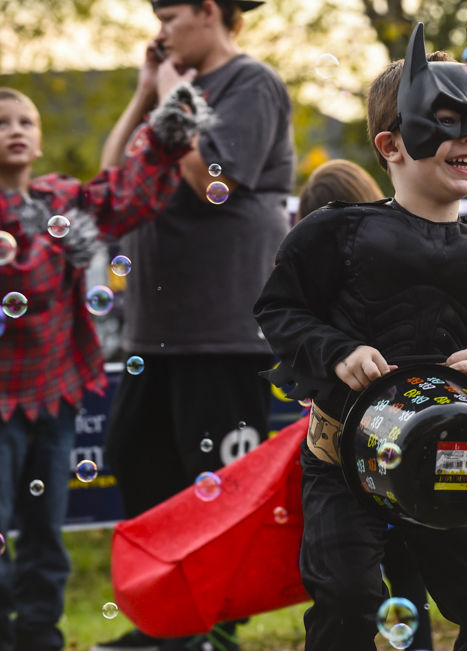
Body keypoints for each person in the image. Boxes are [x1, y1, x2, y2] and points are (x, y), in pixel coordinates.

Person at [253, 22, 467, 650]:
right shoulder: (334, 235)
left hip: (450, 459)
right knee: (349, 601)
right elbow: (279, 311)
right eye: (446, 121)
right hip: (343, 460)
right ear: (391, 144)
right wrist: (337, 352)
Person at [95, 1, 294, 650]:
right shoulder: (170, 90)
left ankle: (211, 628)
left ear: (210, 11)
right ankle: (164, 622)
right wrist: (143, 95)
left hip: (223, 328)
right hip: (154, 330)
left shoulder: (251, 83)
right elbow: (113, 176)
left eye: (170, 13)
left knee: (215, 487)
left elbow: (215, 181)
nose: (160, 29)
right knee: (138, 460)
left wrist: (173, 95)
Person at [0, 77, 210, 651]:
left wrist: (164, 138)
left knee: (46, 531)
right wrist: (62, 245)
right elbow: (30, 284)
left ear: (39, 141)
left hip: (56, 391)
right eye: (1, 123)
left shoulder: (59, 199)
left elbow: (126, 195)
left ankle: (40, 636)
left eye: (24, 122)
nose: (14, 130)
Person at [294, 158, 435, 651]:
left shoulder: (316, 289)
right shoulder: (408, 261)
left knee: (349, 586)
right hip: (409, 446)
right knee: (408, 583)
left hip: (346, 455)